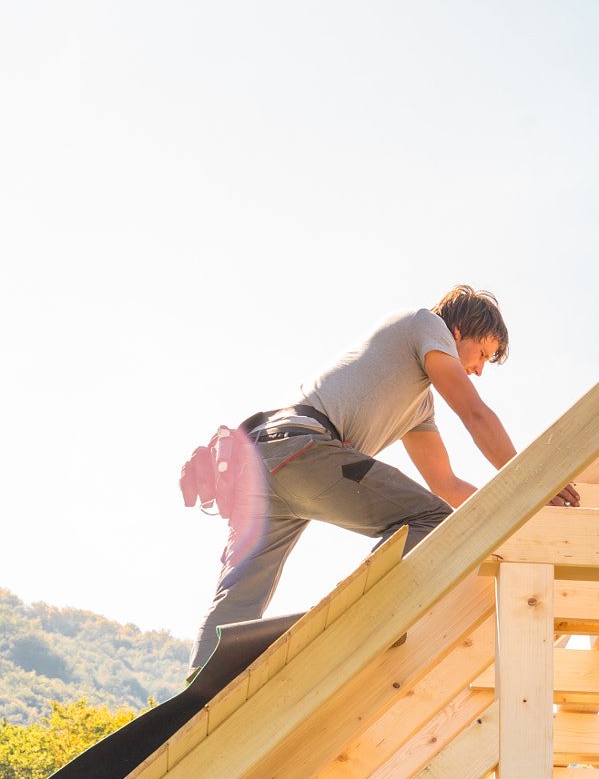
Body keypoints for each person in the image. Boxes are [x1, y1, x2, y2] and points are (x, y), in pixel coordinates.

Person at [190, 285, 577, 672]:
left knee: (239, 597)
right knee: (432, 519)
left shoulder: (418, 406)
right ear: (457, 331)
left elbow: (446, 484)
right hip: (300, 449)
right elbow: (473, 413)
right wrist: (533, 481)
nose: (478, 369)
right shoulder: (423, 323)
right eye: (482, 355)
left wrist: (512, 513)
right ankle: (352, 625)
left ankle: (195, 699)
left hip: (265, 461)